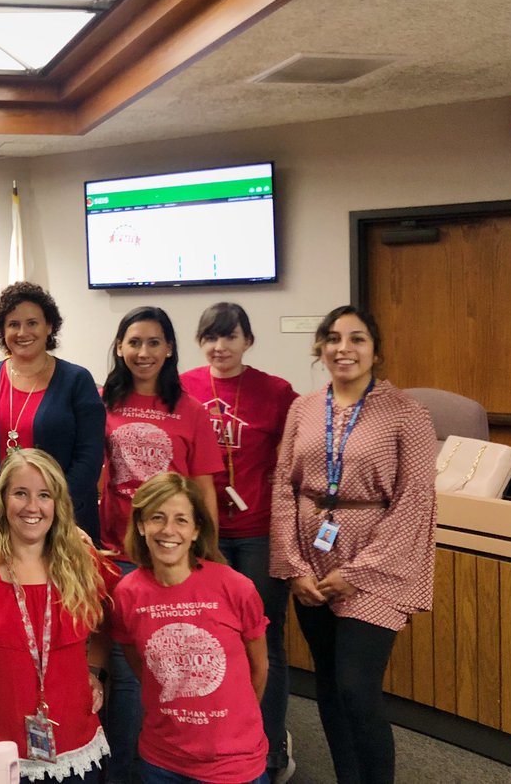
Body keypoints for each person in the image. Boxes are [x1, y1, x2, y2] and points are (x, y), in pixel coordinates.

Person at [270, 305, 435, 784]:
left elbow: (416, 500)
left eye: (357, 339)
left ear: (376, 351)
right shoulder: (303, 407)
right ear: (320, 348)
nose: (344, 348)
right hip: (312, 559)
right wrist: (295, 566)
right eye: (334, 338)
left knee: (356, 687)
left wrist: (359, 571)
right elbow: (283, 486)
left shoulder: (407, 414)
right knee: (328, 683)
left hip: (378, 563)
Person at [100, 306, 222, 784]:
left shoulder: (189, 410)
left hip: (173, 557)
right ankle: (125, 772)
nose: (143, 352)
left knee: (170, 666)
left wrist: (204, 554)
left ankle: (170, 762)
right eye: (134, 342)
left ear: (170, 348)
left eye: (154, 343)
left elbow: (203, 487)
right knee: (125, 672)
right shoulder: (102, 401)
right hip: (119, 554)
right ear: (119, 347)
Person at [0, 448, 114, 784]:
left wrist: (94, 669)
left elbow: (108, 624)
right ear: (3, 501)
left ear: (58, 504)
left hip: (73, 746)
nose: (32, 506)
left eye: (43, 495)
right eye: (20, 493)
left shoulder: (83, 564)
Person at [181, 302, 298, 782]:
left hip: (257, 532)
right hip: (197, 533)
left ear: (248, 340)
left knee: (263, 637)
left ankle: (270, 745)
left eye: (230, 337)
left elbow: (293, 461)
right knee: (206, 636)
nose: (219, 347)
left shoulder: (276, 392)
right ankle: (216, 742)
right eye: (210, 337)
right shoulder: (183, 385)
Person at [113, 472, 270, 784]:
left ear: (197, 530)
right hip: (162, 760)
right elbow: (140, 665)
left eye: (181, 520)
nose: (168, 530)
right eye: (157, 517)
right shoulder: (127, 593)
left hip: (233, 764)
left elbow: (259, 668)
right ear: (141, 525)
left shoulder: (235, 587)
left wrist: (233, 728)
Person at [0, 281, 105, 538]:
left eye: (32, 323)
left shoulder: (77, 381)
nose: (23, 332)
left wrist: (47, 508)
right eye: (13, 324)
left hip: (63, 525)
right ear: (3, 330)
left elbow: (89, 458)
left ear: (49, 327)